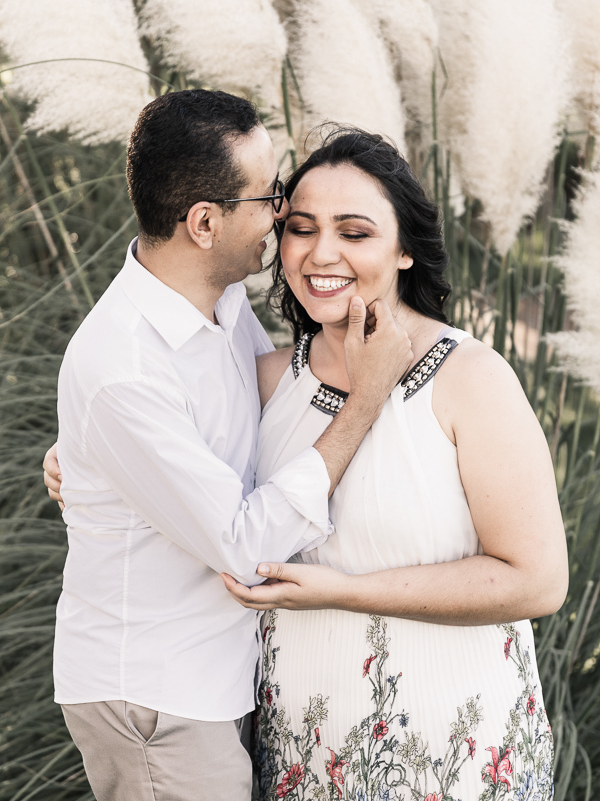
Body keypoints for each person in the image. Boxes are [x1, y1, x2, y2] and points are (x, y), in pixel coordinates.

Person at [43, 96, 413, 801]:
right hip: (159, 694)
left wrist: (81, 455)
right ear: (205, 223)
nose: (280, 213)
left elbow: (256, 414)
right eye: (269, 196)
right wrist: (365, 401)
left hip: (212, 674)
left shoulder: (218, 300)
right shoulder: (123, 368)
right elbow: (244, 544)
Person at [221, 127, 569, 800]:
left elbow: (538, 581)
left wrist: (343, 592)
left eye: (355, 232)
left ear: (405, 249)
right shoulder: (259, 381)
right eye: (301, 227)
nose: (322, 253)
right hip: (306, 760)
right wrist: (78, 462)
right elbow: (145, 435)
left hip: (458, 760)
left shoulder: (470, 378)